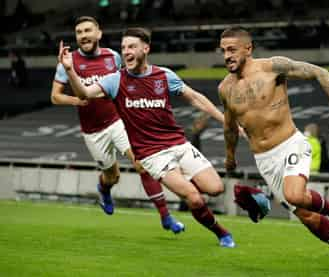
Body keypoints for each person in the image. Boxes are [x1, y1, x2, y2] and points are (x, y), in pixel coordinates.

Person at [58, 27, 236, 248]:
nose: (126, 52)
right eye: (123, 48)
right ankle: (222, 233)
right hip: (152, 155)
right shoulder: (116, 80)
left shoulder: (164, 75)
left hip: (178, 144)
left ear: (146, 48)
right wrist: (70, 71)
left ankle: (181, 181)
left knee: (216, 188)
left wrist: (226, 120)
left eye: (131, 46)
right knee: (195, 198)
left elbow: (196, 98)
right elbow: (84, 93)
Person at [218, 27, 329, 271]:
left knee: (295, 195)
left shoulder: (273, 67)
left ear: (249, 48)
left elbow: (321, 72)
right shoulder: (225, 88)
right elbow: (230, 127)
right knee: (307, 218)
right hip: (264, 160)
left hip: (290, 144)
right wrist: (230, 156)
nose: (227, 56)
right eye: (223, 51)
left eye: (232, 50)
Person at [51, 16, 184, 234]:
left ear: (98, 33)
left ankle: (166, 217)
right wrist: (77, 100)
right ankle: (104, 189)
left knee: (142, 163)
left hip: (119, 121)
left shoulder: (113, 57)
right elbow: (55, 96)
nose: (83, 35)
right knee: (112, 176)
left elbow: (129, 80)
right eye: (79, 32)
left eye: (87, 30)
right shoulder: (69, 61)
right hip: (93, 131)